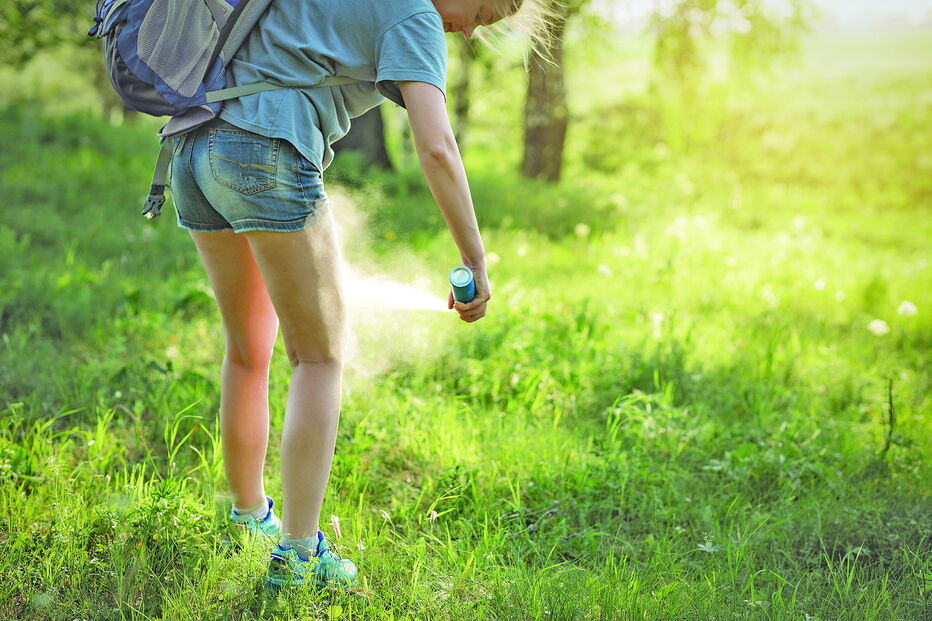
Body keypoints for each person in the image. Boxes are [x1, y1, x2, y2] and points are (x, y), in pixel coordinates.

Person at [168, 0, 538, 589]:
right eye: (482, 12)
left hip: (192, 147)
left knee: (247, 349)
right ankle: (298, 556)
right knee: (319, 358)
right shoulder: (415, 15)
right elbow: (436, 147)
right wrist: (475, 259)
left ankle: (247, 516)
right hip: (264, 152)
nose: (470, 31)